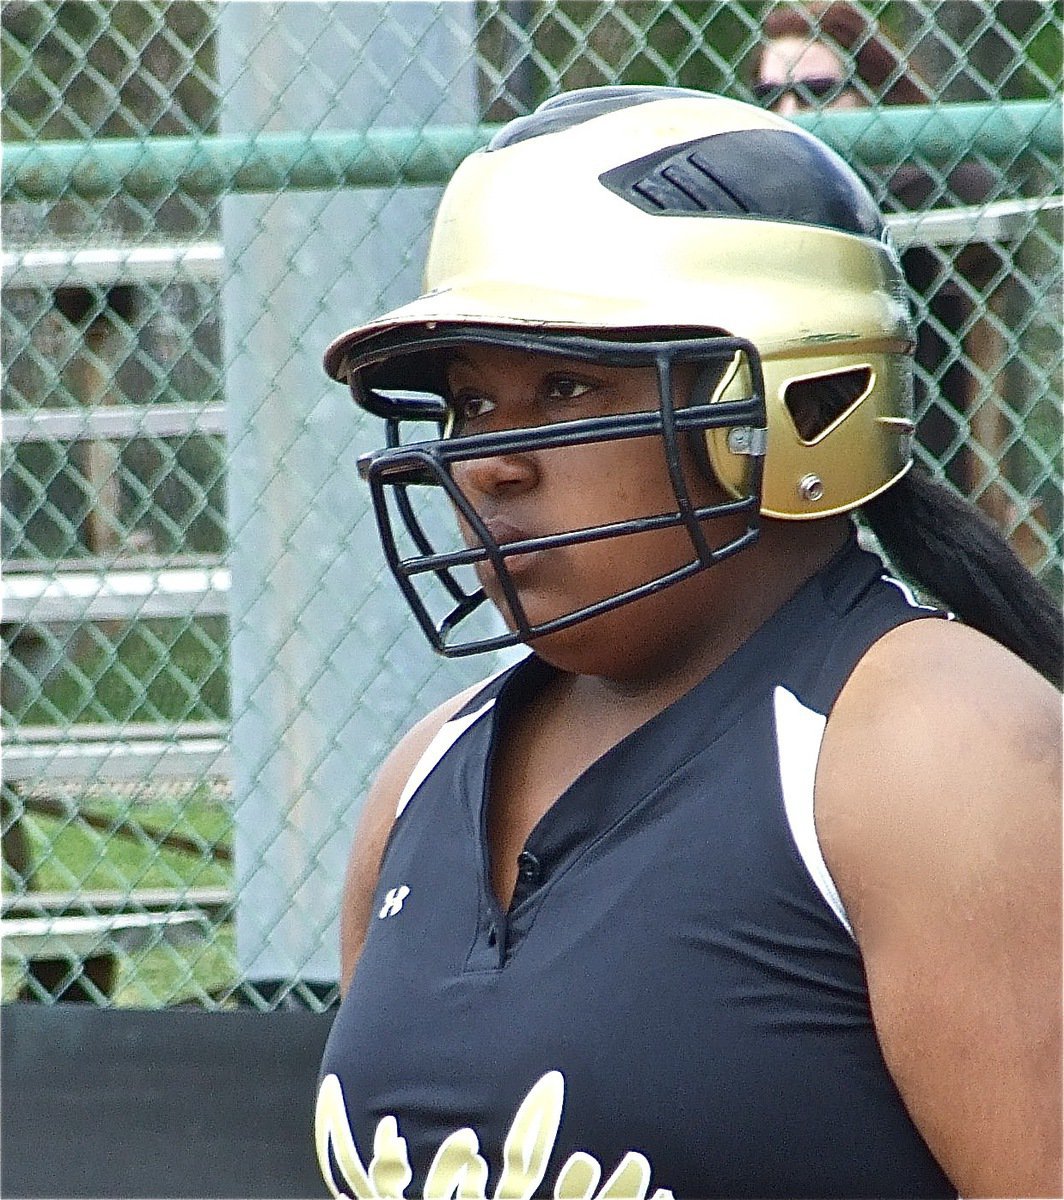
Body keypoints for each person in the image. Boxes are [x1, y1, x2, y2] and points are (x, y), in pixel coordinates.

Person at [315, 86, 1062, 1199]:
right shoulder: (424, 772)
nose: (490, 464)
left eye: (564, 386)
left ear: (789, 402)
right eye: (471, 404)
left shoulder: (933, 748)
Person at [749, 2, 1028, 551]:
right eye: (769, 96)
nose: (791, 112)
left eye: (819, 91)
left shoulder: (923, 192)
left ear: (874, 95)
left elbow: (974, 194)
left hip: (924, 471)